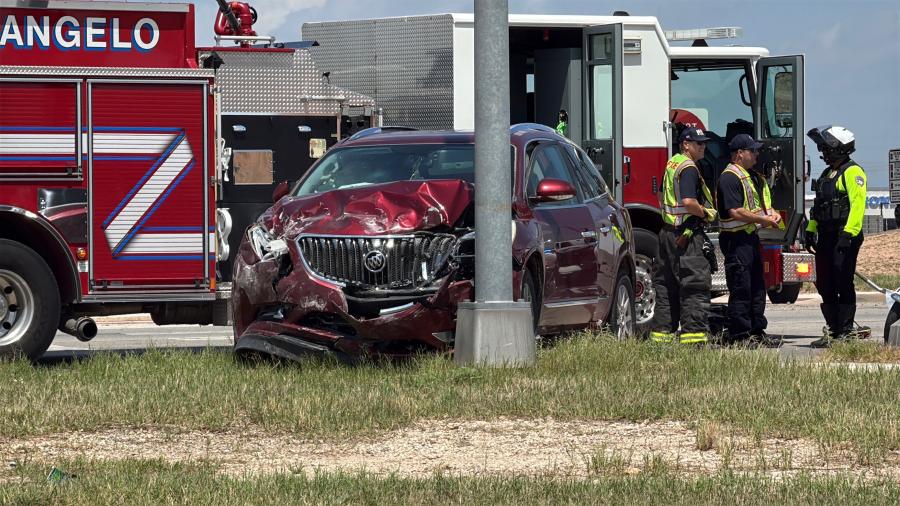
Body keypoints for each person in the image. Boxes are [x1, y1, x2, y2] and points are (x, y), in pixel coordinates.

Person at [649, 127, 718, 345]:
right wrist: (706, 213)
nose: (703, 146)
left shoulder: (673, 164)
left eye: (704, 143)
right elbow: (689, 202)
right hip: (686, 237)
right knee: (694, 286)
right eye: (699, 143)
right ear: (686, 144)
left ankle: (661, 338)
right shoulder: (688, 168)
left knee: (665, 286)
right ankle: (694, 341)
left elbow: (661, 195)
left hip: (668, 233)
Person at [716, 134, 783, 347]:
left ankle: (756, 331)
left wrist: (772, 215)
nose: (756, 154)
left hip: (751, 239)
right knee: (741, 288)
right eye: (752, 150)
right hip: (736, 241)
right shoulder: (729, 177)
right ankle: (740, 335)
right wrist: (762, 219)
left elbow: (762, 204)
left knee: (757, 288)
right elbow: (735, 211)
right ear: (739, 154)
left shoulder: (751, 177)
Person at [804, 125, 868, 347]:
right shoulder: (826, 173)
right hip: (826, 235)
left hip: (844, 235)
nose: (823, 152)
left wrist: (847, 235)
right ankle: (833, 331)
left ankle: (846, 332)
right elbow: (818, 205)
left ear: (838, 148)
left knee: (843, 281)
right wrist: (810, 229)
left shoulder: (853, 172)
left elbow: (858, 206)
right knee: (824, 282)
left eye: (825, 148)